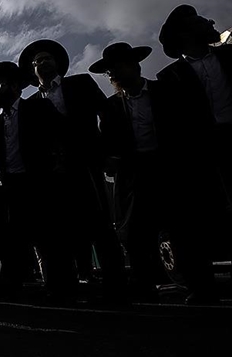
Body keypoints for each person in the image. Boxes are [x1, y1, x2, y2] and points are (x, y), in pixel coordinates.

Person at [93, 42, 222, 304]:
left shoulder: (167, 91)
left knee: (184, 229)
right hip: (134, 174)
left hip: (170, 169)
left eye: (117, 67)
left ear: (135, 65)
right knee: (137, 234)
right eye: (109, 72)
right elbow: (109, 142)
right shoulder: (110, 107)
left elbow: (187, 126)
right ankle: (144, 286)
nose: (113, 75)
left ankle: (200, 286)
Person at [19, 39, 126, 303]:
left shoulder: (81, 84)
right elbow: (30, 143)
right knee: (60, 232)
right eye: (36, 62)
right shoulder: (30, 104)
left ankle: (117, 289)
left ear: (57, 63)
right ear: (32, 71)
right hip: (53, 175)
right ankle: (65, 290)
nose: (41, 63)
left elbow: (108, 113)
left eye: (46, 59)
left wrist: (109, 152)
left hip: (86, 166)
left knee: (101, 227)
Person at [0, 61, 64, 299]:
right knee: (14, 238)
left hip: (40, 182)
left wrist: (58, 164)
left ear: (15, 86)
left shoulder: (40, 108)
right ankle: (11, 286)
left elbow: (60, 136)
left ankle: (58, 286)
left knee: (47, 237)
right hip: (11, 186)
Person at [157, 4, 231, 240]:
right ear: (185, 34)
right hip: (206, 151)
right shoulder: (170, 77)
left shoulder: (230, 56)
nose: (209, 22)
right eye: (200, 21)